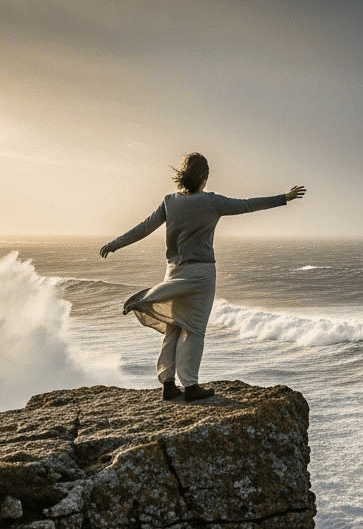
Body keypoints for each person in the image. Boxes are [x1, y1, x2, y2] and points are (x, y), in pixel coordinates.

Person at [100, 152, 306, 401]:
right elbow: (247, 205)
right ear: (203, 177)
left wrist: (115, 244)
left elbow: (144, 227)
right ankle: (190, 386)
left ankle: (167, 384)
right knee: (194, 328)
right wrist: (284, 197)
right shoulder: (212, 201)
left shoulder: (170, 201)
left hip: (174, 270)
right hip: (202, 274)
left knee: (173, 326)